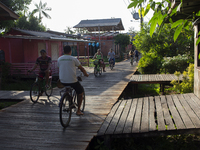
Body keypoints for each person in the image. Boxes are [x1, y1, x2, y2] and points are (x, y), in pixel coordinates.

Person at [57, 45, 89, 116]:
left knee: (67, 89)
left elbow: (61, 67)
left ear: (63, 51)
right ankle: (78, 111)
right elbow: (81, 68)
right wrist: (86, 74)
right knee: (80, 92)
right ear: (70, 51)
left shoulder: (59, 59)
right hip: (72, 81)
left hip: (62, 80)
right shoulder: (73, 59)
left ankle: (69, 99)